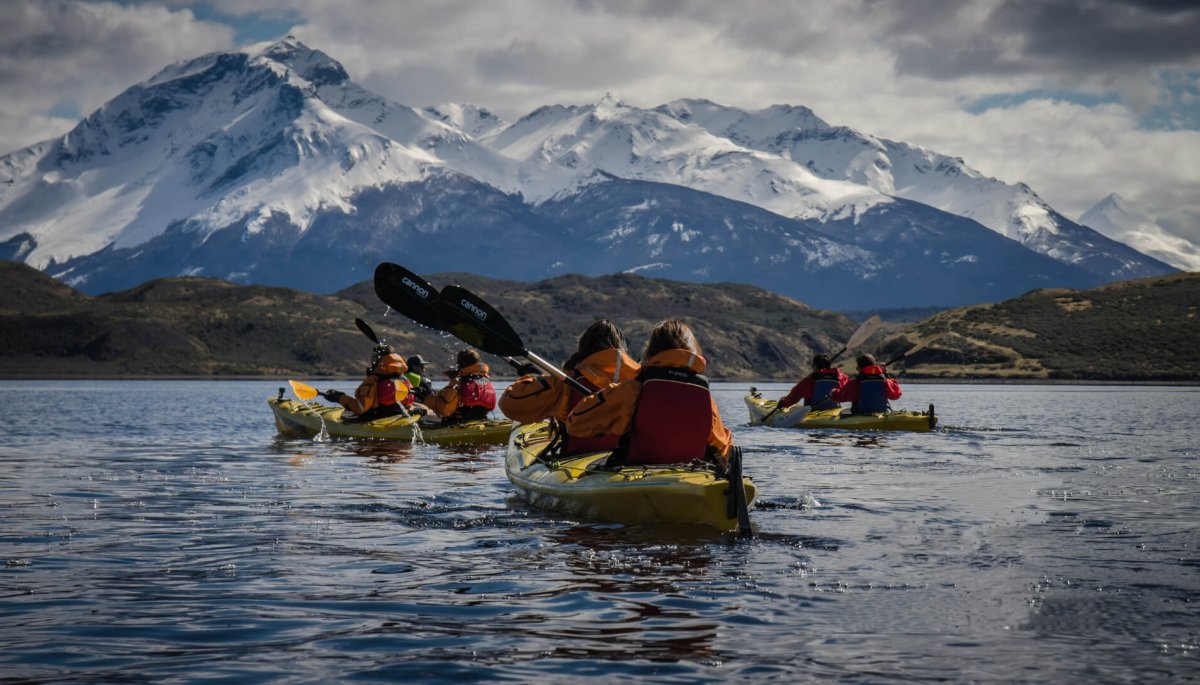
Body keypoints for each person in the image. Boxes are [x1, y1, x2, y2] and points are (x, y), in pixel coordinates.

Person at [566, 319, 732, 466]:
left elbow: (576, 423)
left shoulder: (634, 389)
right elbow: (723, 449)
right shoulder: (705, 398)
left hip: (639, 473)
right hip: (692, 477)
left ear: (652, 351)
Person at [499, 319, 640, 454]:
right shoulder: (639, 381)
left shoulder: (566, 382)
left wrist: (536, 380)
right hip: (625, 461)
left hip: (577, 463)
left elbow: (509, 404)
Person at [322, 344, 416, 421]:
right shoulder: (403, 379)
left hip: (376, 420)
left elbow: (360, 408)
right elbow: (408, 405)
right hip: (399, 418)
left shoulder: (373, 380)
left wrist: (339, 397)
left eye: (374, 358)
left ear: (379, 361)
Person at [423, 348, 497, 422]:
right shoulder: (484, 379)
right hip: (481, 416)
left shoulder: (459, 381)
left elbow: (444, 409)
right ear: (477, 363)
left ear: (459, 364)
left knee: (429, 399)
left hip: (461, 419)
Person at [834, 353, 902, 413]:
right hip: (882, 413)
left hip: (861, 415)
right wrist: (886, 374)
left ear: (860, 368)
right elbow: (896, 395)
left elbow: (840, 397)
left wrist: (833, 392)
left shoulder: (856, 383)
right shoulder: (885, 381)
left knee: (844, 412)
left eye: (857, 368)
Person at [778, 353, 849, 411]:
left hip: (812, 412)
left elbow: (794, 396)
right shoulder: (840, 376)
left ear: (815, 366)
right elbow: (850, 387)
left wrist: (783, 403)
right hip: (834, 410)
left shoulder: (809, 380)